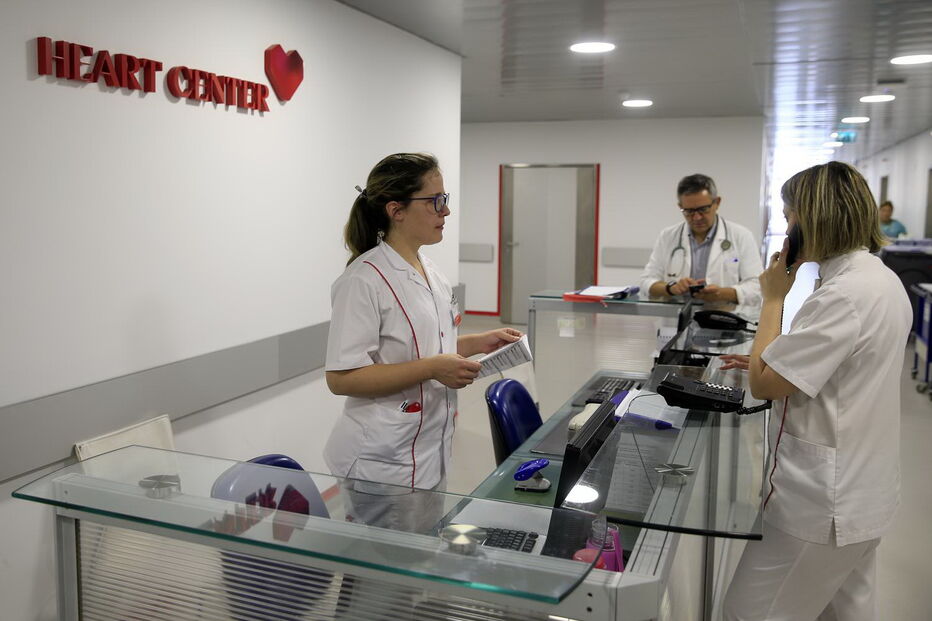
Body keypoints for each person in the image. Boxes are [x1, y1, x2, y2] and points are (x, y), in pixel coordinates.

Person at [722, 162, 911, 620]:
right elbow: (846, 366)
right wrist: (774, 358)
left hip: (821, 506)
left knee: (747, 613)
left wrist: (772, 298)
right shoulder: (879, 279)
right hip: (863, 493)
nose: (786, 229)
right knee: (845, 612)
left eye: (789, 217)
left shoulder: (842, 295)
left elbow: (766, 386)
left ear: (815, 218)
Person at [324, 153, 522, 525]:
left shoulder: (430, 270)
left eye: (445, 200)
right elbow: (341, 378)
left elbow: (429, 344)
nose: (445, 212)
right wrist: (433, 368)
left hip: (428, 451)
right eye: (435, 201)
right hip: (381, 462)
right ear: (396, 210)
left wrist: (479, 342)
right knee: (384, 578)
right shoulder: (363, 280)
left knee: (416, 564)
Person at [639, 173, 764, 305]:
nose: (697, 217)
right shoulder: (668, 237)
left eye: (703, 209)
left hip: (725, 318)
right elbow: (646, 282)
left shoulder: (741, 236)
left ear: (717, 203)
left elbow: (756, 287)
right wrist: (671, 288)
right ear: (680, 207)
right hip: (676, 319)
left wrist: (720, 294)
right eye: (689, 211)